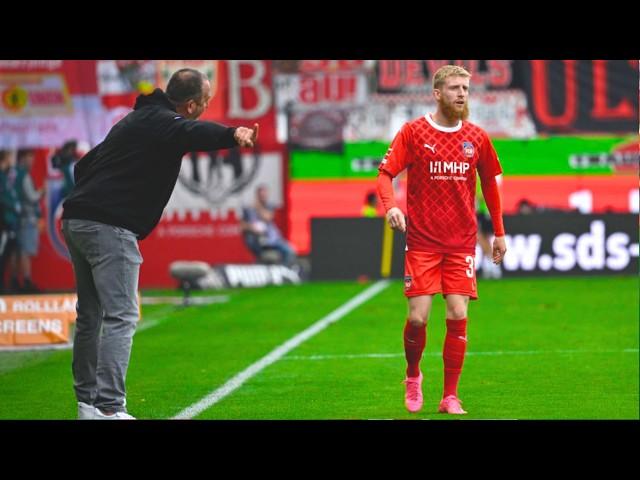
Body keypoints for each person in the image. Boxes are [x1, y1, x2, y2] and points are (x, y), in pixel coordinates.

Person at [61, 68, 258, 420]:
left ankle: (87, 406)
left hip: (78, 219)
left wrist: (93, 197)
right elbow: (196, 133)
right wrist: (234, 134)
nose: (207, 108)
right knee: (121, 316)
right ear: (192, 105)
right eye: (207, 102)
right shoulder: (167, 122)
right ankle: (109, 408)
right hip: (110, 226)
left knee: (90, 316)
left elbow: (85, 165)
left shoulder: (136, 120)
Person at [377, 65, 507, 415]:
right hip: (422, 241)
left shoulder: (477, 138)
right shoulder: (414, 132)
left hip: (461, 242)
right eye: (454, 88)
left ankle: (450, 395)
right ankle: (413, 374)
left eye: (465, 87)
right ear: (437, 93)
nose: (462, 93)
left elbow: (490, 186)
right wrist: (391, 208)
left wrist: (498, 232)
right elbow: (385, 173)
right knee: (418, 319)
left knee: (457, 312)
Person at [240, 184, 296, 265]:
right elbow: (242, 226)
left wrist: (257, 207)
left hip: (273, 239)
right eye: (261, 195)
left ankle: (282, 270)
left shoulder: (269, 206)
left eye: (264, 195)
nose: (263, 197)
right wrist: (252, 228)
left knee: (289, 251)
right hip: (257, 240)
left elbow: (268, 217)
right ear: (257, 195)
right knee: (261, 255)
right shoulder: (248, 209)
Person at [15, 149, 46, 293]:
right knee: (25, 251)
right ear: (21, 158)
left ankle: (17, 280)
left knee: (20, 251)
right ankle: (25, 281)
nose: (31, 161)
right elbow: (32, 197)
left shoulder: (15, 174)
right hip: (26, 219)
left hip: (20, 218)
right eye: (29, 157)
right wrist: (42, 191)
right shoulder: (23, 175)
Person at [0, 150, 21, 294]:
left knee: (8, 252)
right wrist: (12, 205)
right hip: (4, 221)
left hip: (10, 220)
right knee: (2, 252)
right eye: (9, 157)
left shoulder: (5, 176)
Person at [476, 189, 502, 279]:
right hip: (482, 211)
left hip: (486, 211)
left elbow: (485, 194)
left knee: (481, 237)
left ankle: (492, 263)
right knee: (483, 238)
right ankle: (489, 265)